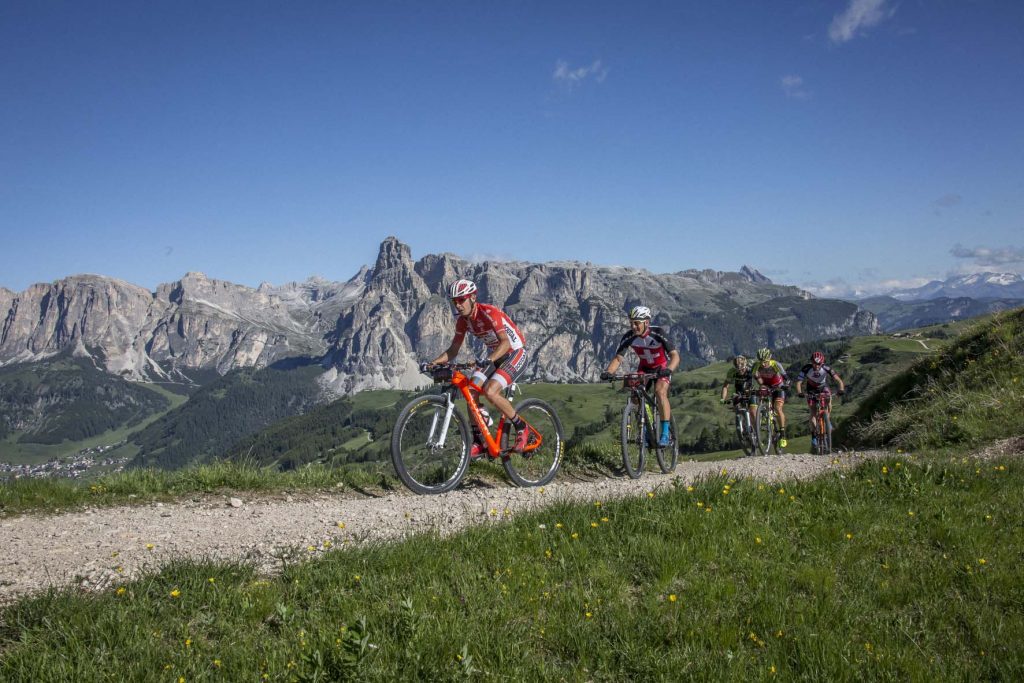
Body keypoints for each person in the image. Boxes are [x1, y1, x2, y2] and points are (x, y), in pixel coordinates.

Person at [423, 279, 533, 457]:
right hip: (494, 356)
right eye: (454, 301)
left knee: (490, 392)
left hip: (514, 353)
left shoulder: (489, 312)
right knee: (471, 391)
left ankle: (521, 427)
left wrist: (488, 359)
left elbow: (505, 343)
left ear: (473, 297)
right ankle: (479, 440)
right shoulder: (463, 322)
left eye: (461, 300)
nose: (458, 305)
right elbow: (453, 350)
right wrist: (433, 363)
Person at [599, 306, 680, 446]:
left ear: (646, 323)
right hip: (644, 368)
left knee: (660, 392)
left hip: (661, 368)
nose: (633, 326)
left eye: (637, 323)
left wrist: (669, 370)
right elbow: (618, 358)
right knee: (635, 396)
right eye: (631, 323)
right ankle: (647, 428)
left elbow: (675, 356)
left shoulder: (658, 333)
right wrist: (609, 372)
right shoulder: (629, 337)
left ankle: (666, 434)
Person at [795, 351, 846, 444]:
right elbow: (799, 382)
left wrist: (841, 389)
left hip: (823, 387)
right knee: (813, 412)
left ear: (822, 363)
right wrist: (800, 392)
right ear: (811, 362)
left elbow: (838, 380)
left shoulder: (827, 368)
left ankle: (827, 420)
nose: (817, 366)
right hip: (811, 389)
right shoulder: (806, 368)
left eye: (819, 364)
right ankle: (814, 435)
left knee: (829, 400)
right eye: (815, 363)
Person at [750, 347, 790, 448]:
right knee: (760, 396)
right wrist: (757, 384)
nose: (763, 364)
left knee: (777, 408)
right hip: (766, 386)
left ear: (769, 359)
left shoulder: (775, 364)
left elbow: (786, 378)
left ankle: (783, 434)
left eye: (765, 361)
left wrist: (786, 385)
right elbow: (752, 378)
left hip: (778, 386)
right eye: (761, 361)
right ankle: (763, 414)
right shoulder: (756, 365)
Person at [721, 355, 756, 428]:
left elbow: (758, 379)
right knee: (737, 409)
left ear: (745, 365)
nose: (740, 371)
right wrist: (723, 399)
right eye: (738, 370)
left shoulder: (750, 370)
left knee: (752, 412)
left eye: (742, 370)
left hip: (750, 392)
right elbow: (725, 386)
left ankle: (756, 431)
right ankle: (743, 428)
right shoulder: (732, 372)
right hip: (738, 392)